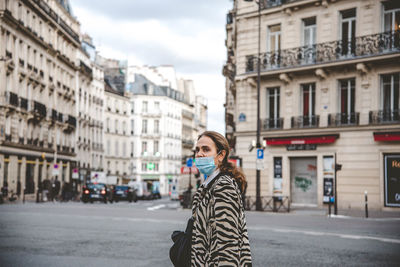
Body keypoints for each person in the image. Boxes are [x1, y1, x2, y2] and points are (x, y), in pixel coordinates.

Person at [191, 131, 252, 266]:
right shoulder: (210, 185)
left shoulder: (223, 185)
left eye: (206, 149)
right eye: (197, 150)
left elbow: (228, 242)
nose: (199, 154)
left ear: (221, 155)